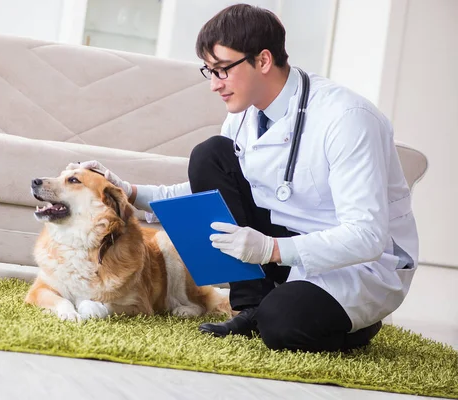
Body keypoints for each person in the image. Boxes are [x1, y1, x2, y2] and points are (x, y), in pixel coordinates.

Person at [68, 4, 418, 353]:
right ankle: (251, 305)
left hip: (358, 264)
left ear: (263, 61)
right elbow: (221, 191)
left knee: (282, 325)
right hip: (281, 244)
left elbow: (367, 236)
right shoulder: (243, 116)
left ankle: (352, 323)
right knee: (209, 154)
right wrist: (128, 192)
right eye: (210, 71)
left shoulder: (347, 118)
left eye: (222, 70)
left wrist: (272, 248)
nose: (214, 85)